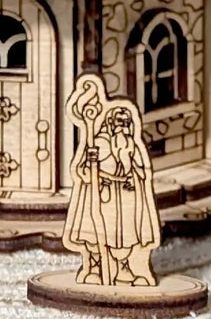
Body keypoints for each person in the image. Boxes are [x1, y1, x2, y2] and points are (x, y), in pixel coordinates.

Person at [62, 76, 159, 286]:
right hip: (102, 194)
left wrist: (134, 175)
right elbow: (81, 171)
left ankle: (124, 268)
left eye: (126, 123)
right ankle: (95, 267)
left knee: (126, 234)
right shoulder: (99, 142)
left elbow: (142, 171)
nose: (122, 127)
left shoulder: (131, 146)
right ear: (110, 123)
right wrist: (91, 165)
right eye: (119, 122)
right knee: (96, 232)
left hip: (125, 196)